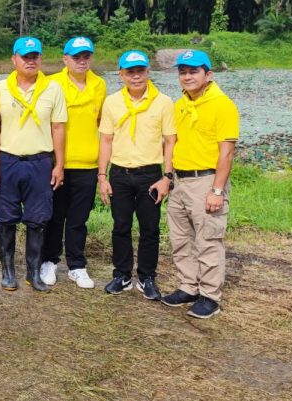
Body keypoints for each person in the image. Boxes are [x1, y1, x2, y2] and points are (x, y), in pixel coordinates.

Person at [162, 50, 239, 319]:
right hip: (180, 180)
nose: (187, 76)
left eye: (193, 71)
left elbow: (226, 152)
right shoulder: (179, 104)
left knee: (208, 239)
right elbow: (171, 143)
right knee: (180, 238)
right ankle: (188, 286)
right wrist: (168, 176)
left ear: (208, 74)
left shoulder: (222, 105)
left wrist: (217, 190)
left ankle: (210, 295)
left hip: (206, 180)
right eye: (182, 72)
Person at [97, 50, 176, 300]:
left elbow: (170, 141)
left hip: (150, 174)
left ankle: (146, 277)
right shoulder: (112, 102)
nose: (136, 76)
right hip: (120, 173)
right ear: (121, 74)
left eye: (140, 71)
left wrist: (167, 176)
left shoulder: (163, 102)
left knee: (149, 228)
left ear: (148, 72)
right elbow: (106, 140)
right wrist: (102, 176)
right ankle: (122, 274)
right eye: (130, 72)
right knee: (120, 226)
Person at [0, 37, 66, 292]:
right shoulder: (0, 88)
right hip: (8, 161)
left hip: (40, 162)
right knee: (5, 218)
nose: (30, 61)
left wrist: (59, 164)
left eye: (35, 56)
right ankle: (8, 272)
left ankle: (33, 274)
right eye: (25, 56)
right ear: (14, 59)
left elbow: (58, 127)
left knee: (38, 219)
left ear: (41, 59)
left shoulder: (53, 88)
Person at [43, 37, 106, 289]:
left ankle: (77, 265)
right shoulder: (52, 83)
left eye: (86, 56)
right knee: (54, 216)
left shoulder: (99, 84)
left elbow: (100, 121)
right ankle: (49, 260)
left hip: (87, 163)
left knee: (78, 219)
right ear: (65, 59)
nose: (82, 61)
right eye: (76, 56)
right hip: (57, 162)